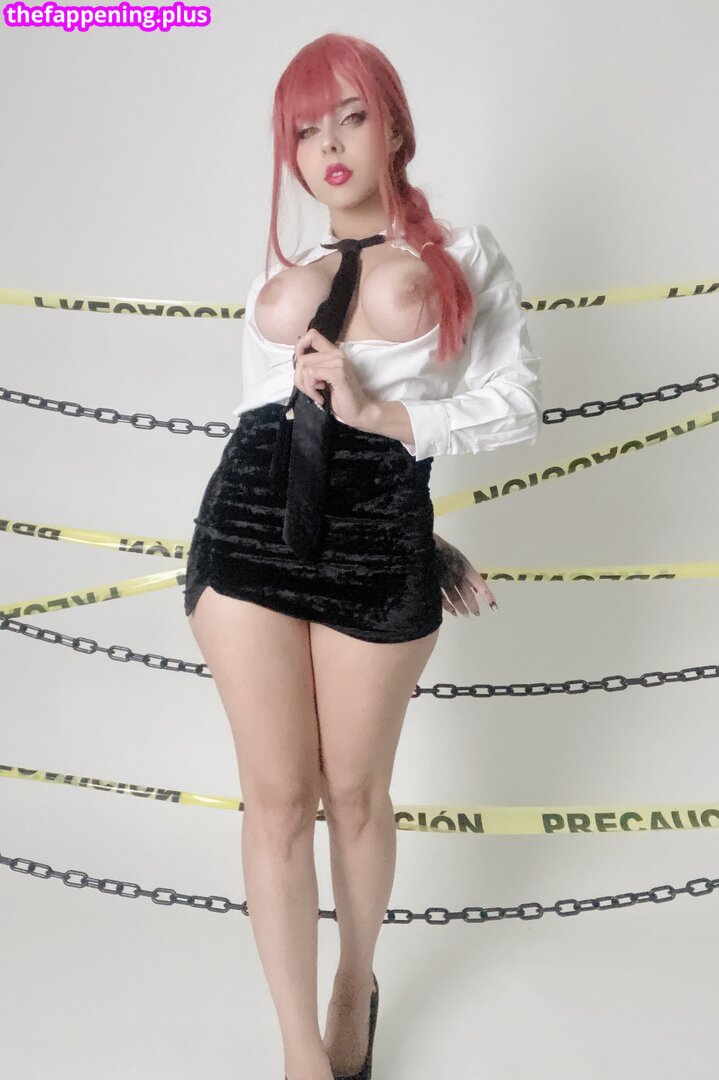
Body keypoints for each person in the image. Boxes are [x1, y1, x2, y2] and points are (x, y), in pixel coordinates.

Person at [184, 32, 542, 1080]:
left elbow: (514, 401)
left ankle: (353, 981)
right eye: (306, 130)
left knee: (353, 793)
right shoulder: (278, 276)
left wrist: (387, 429)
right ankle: (301, 1053)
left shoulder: (461, 255)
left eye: (350, 117)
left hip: (376, 536)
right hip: (245, 530)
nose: (329, 146)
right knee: (275, 799)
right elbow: (263, 421)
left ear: (394, 126)